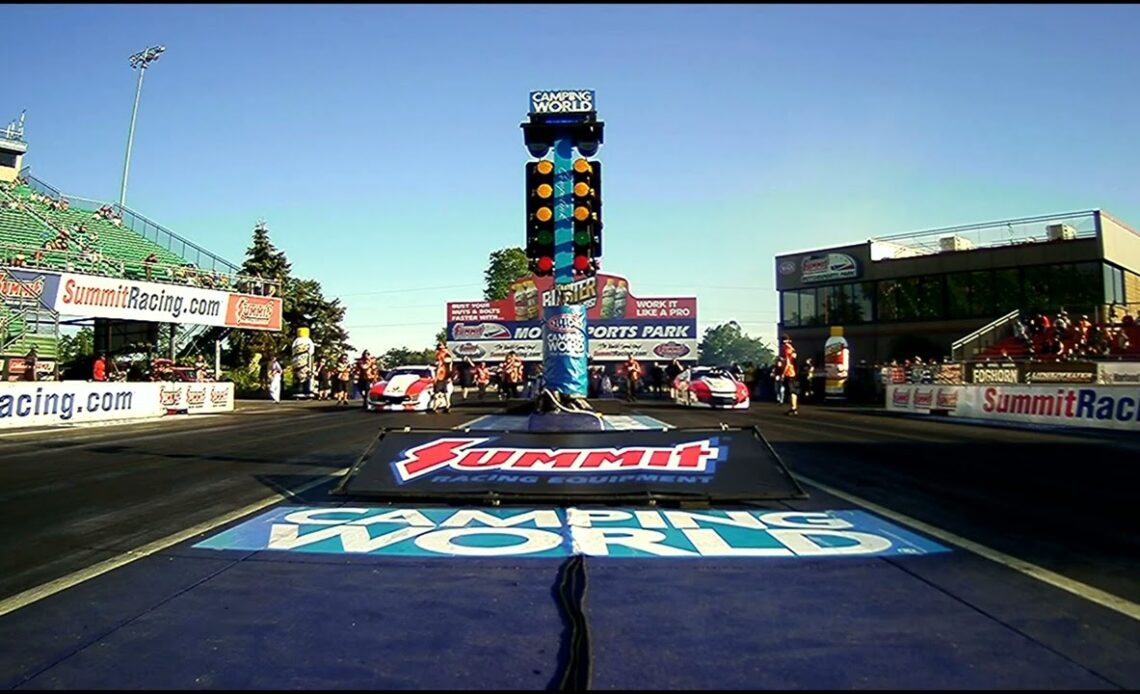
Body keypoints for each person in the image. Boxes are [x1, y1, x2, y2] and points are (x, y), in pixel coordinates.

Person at [780, 335, 800, 415]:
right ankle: (793, 407)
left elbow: (787, 363)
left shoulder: (786, 348)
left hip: (789, 372)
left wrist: (783, 374)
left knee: (791, 391)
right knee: (793, 391)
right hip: (793, 372)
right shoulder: (792, 349)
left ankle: (793, 408)